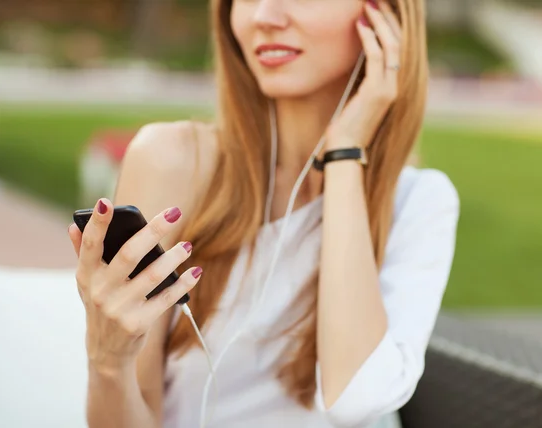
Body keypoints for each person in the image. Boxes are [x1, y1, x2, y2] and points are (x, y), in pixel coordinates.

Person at [67, 0, 459, 427]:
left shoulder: (418, 202)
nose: (264, 16)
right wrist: (108, 362)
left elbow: (355, 399)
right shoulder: (172, 161)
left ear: (384, 14)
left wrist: (345, 153)